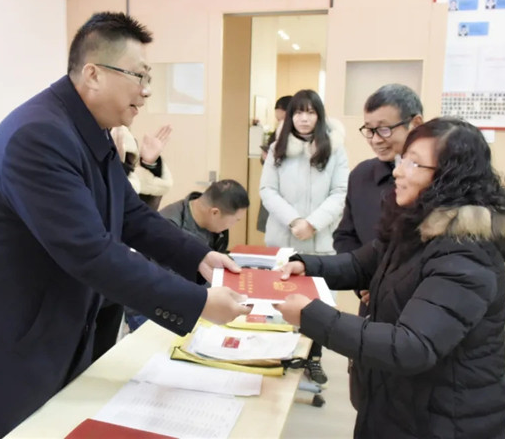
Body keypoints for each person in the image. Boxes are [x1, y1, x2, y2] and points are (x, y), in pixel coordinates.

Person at [0, 12, 251, 439]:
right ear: (93, 74)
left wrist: (199, 256)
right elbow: (91, 253)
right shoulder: (37, 136)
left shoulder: (89, 129)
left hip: (53, 343)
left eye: (148, 78)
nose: (146, 90)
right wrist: (198, 303)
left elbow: (130, 214)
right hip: (1, 360)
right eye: (139, 76)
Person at [275, 117, 505, 438]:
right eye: (403, 159)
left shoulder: (466, 252)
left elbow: (411, 346)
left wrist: (311, 316)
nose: (398, 171)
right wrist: (307, 265)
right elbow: (362, 264)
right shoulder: (419, 223)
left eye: (415, 164)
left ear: (450, 177)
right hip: (399, 401)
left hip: (443, 420)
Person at [333, 83, 423, 408]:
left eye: (384, 129)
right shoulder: (361, 176)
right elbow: (345, 236)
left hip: (418, 312)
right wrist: (362, 282)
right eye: (368, 130)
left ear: (415, 123)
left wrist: (387, 282)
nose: (375, 139)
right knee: (366, 397)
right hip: (371, 308)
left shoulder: (437, 179)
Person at [260, 88, 349, 384]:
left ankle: (314, 358)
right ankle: (279, 356)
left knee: (318, 307)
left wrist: (312, 223)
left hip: (320, 243)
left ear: (319, 116)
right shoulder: (278, 148)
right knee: (280, 302)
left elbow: (340, 192)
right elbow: (267, 190)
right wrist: (294, 220)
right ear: (291, 116)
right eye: (299, 112)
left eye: (311, 112)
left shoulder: (334, 149)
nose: (304, 118)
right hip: (283, 240)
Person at [91, 124, 174, 362]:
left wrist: (149, 164)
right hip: (89, 276)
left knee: (104, 353)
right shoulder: (91, 176)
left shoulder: (131, 179)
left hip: (116, 280)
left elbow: (139, 216)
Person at [125, 179, 250, 331]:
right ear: (215, 212)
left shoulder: (213, 224)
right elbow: (167, 282)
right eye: (235, 220)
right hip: (151, 307)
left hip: (191, 299)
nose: (233, 225)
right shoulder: (170, 225)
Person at [257, 95, 292, 232]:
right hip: (273, 186)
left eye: (281, 118)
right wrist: (265, 158)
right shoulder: (275, 134)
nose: (280, 123)